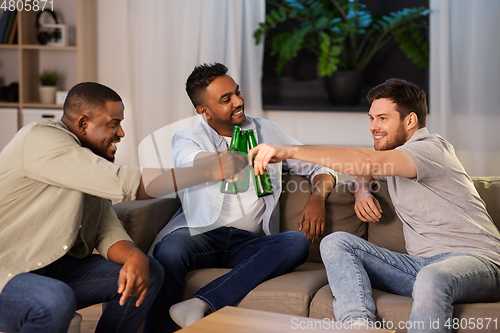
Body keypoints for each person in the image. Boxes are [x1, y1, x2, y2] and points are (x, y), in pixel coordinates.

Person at [248, 78, 500, 333]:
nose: (373, 127)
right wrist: (361, 190)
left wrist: (290, 151)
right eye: (371, 118)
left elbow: (369, 162)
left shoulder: (432, 148)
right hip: (420, 267)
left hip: (478, 262)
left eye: (382, 118)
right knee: (335, 243)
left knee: (432, 277)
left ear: (410, 120)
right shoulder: (396, 156)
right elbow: (368, 167)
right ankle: (360, 325)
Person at [0, 82, 246, 333]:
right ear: (84, 123)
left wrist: (133, 256)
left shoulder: (88, 163)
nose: (121, 133)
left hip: (49, 266)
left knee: (148, 273)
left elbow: (105, 228)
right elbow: (125, 182)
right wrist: (206, 170)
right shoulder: (41, 139)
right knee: (54, 299)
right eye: (113, 123)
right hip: (7, 269)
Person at [144, 63, 337, 332]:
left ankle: (200, 303)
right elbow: (193, 161)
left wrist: (317, 197)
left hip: (250, 243)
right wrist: (228, 160)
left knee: (296, 243)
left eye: (237, 92)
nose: (239, 101)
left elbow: (320, 166)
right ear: (204, 111)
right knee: (171, 249)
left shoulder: (267, 131)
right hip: (200, 235)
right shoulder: (187, 138)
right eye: (226, 99)